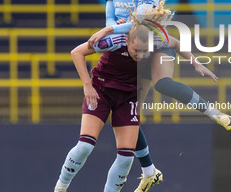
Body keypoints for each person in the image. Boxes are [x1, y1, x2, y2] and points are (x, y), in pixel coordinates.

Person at [88, 0, 231, 189]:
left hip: (152, 41)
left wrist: (195, 62)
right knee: (128, 116)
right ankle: (149, 171)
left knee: (164, 84)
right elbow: (110, 16)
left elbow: (151, 27)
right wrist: (110, 30)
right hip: (131, 46)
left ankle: (217, 114)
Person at [54, 20, 161, 192]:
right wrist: (87, 85)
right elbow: (77, 53)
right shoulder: (114, 41)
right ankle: (60, 188)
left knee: (126, 157)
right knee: (85, 146)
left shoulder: (153, 50)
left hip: (128, 98)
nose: (140, 55)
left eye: (144, 51)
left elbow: (149, 76)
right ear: (126, 40)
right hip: (101, 91)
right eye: (136, 50)